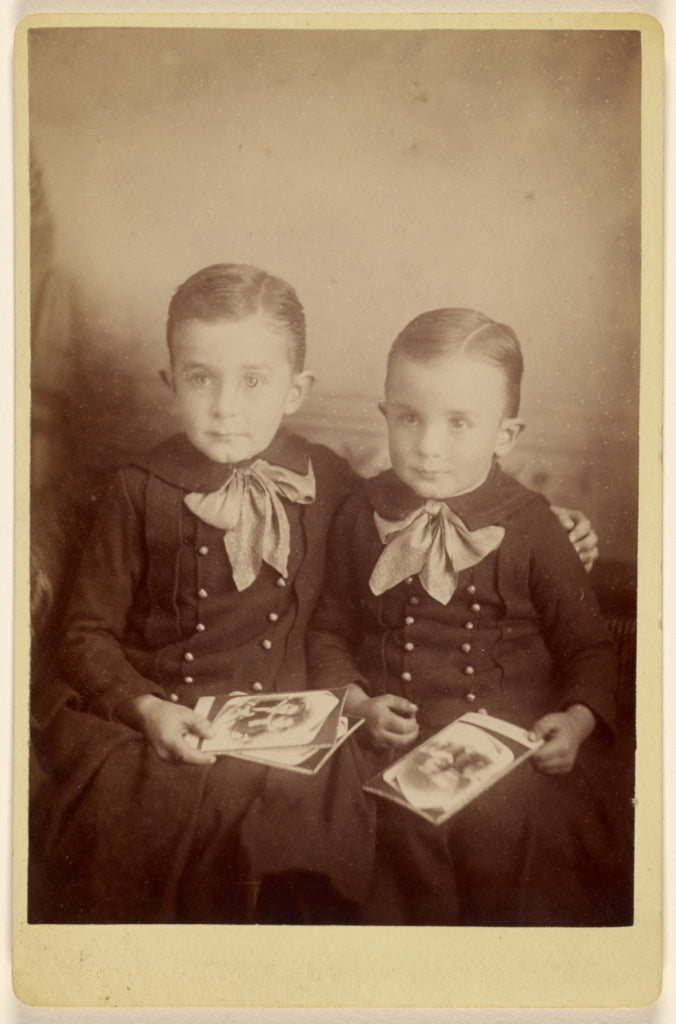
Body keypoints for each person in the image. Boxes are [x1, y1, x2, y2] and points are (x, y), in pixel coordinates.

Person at [29, 272, 599, 925]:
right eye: (200, 378)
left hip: (290, 730)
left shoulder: (329, 479)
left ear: (296, 390)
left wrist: (548, 521)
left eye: (252, 380)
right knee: (136, 816)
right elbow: (83, 635)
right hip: (167, 711)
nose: (225, 406)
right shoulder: (137, 490)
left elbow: (425, 495)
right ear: (170, 384)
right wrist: (148, 709)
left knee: (328, 831)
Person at [307, 307, 632, 926]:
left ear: (505, 434)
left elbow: (590, 647)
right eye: (409, 417)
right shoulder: (361, 512)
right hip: (385, 740)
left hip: (507, 748)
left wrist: (577, 720)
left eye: (459, 423)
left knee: (513, 844)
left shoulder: (534, 525)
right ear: (384, 415)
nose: (428, 446)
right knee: (365, 840)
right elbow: (329, 628)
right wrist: (355, 704)